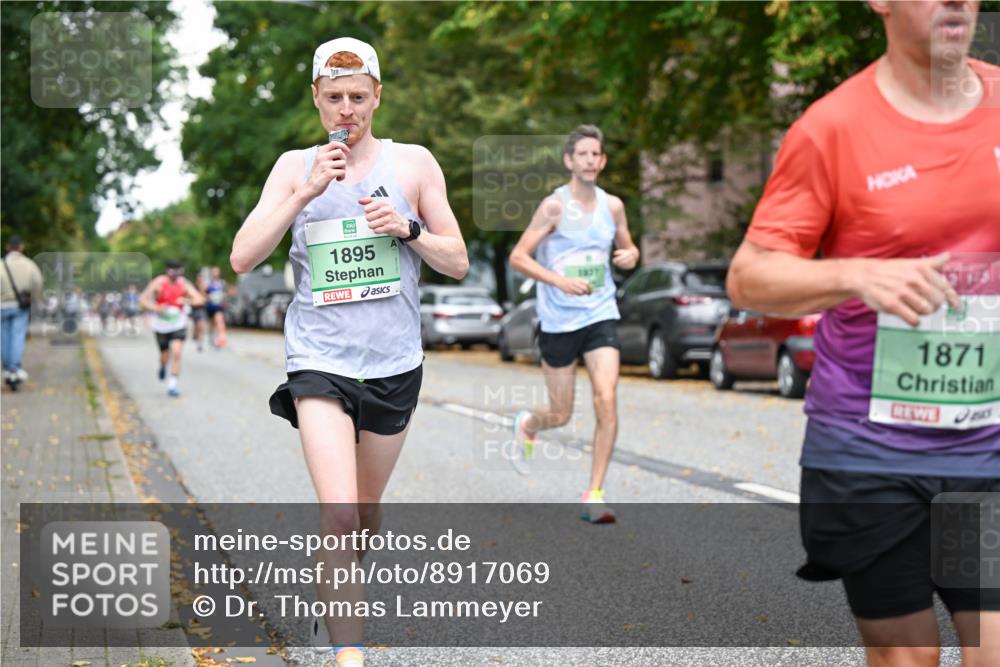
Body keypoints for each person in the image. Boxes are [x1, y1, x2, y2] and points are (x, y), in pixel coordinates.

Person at [726, 1, 999, 665]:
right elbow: (749, 278)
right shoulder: (833, 128)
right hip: (869, 448)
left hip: (987, 443)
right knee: (910, 658)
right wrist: (857, 275)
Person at [230, 37, 468, 667]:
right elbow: (241, 257)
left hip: (394, 364)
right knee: (339, 515)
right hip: (319, 361)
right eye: (333, 97)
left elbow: (459, 260)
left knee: (363, 515)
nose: (346, 109)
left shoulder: (414, 164)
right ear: (315, 98)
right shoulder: (292, 167)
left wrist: (408, 229)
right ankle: (350, 654)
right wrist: (304, 192)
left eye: (358, 97)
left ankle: (335, 592)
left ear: (378, 97)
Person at [507, 124, 640, 523]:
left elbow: (627, 246)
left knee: (606, 397)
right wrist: (559, 281)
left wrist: (630, 255)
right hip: (558, 320)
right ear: (569, 161)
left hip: (600, 313)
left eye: (595, 154)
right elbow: (519, 257)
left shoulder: (613, 206)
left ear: (602, 161)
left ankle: (594, 492)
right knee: (561, 413)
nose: (589, 160)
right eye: (581, 154)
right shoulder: (554, 207)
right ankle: (529, 424)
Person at [139, 260, 205, 397]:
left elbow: (200, 299)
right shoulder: (159, 282)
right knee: (165, 356)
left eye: (178, 272)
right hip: (161, 325)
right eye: (172, 272)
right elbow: (142, 300)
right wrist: (155, 308)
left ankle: (172, 386)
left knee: (177, 353)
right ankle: (163, 366)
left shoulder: (183, 283)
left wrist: (186, 301)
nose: (175, 275)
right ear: (167, 271)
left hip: (178, 324)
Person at [0, 235, 43, 389]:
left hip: (2, 307)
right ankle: (14, 368)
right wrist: (34, 297)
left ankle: (6, 369)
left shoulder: (1, 265)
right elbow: (37, 283)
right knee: (17, 336)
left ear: (7, 247)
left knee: (4, 338)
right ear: (21, 247)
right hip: (20, 306)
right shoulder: (29, 265)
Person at [204, 266, 228, 347]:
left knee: (219, 320)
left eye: (216, 272)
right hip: (210, 306)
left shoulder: (222, 282)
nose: (215, 273)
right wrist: (208, 297)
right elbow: (204, 293)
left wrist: (223, 299)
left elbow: (225, 293)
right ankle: (211, 336)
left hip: (218, 306)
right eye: (214, 272)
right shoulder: (208, 283)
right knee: (212, 323)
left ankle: (221, 338)